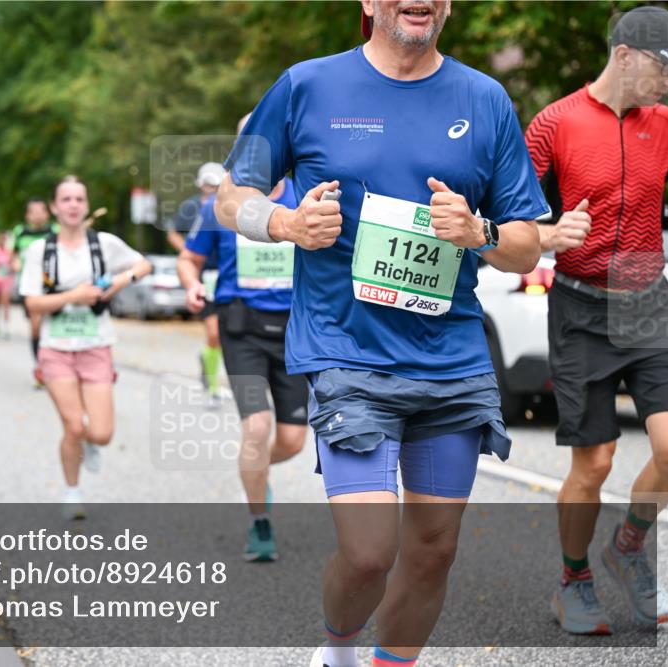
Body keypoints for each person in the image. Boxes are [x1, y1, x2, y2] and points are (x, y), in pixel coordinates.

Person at [215, 2, 548, 665]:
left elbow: (528, 243)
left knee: (433, 550)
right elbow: (230, 195)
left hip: (450, 357)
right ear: (368, 2)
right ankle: (338, 650)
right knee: (369, 551)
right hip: (346, 349)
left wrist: (479, 231)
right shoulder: (305, 85)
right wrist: (285, 224)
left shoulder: (485, 100)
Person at [524, 5, 668, 635]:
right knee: (594, 464)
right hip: (581, 306)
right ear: (625, 56)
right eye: (665, 68)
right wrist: (548, 232)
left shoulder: (666, 124)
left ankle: (630, 547)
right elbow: (511, 222)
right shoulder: (553, 123)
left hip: (648, 302)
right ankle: (573, 579)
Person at [178, 144, 307, 562]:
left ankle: (256, 471)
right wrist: (192, 284)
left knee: (291, 441)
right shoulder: (224, 202)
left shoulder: (306, 194)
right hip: (242, 330)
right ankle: (259, 523)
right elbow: (189, 258)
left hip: (293, 332)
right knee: (256, 427)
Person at [19, 176, 152, 519]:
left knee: (102, 433)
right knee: (73, 426)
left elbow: (144, 265)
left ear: (87, 205)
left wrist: (119, 281)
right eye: (66, 199)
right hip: (55, 348)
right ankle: (72, 491)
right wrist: (74, 296)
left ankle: (92, 445)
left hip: (96, 346)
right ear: (54, 207)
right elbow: (32, 304)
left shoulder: (104, 244)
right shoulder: (40, 251)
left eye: (79, 198)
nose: (73, 205)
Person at [167, 162, 225, 408]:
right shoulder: (191, 206)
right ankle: (212, 387)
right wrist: (189, 252)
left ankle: (208, 362)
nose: (211, 188)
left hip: (227, 274)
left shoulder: (231, 206)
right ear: (201, 184)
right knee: (213, 331)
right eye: (208, 184)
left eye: (216, 184)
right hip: (204, 275)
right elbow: (172, 231)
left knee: (221, 335)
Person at [11, 198, 59, 387]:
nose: (38, 215)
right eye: (33, 211)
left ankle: (56, 367)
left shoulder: (55, 231)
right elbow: (13, 255)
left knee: (54, 325)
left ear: (47, 214)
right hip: (30, 286)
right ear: (27, 215)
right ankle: (40, 367)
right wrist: (15, 264)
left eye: (41, 211)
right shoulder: (19, 232)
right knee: (36, 326)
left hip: (51, 285)